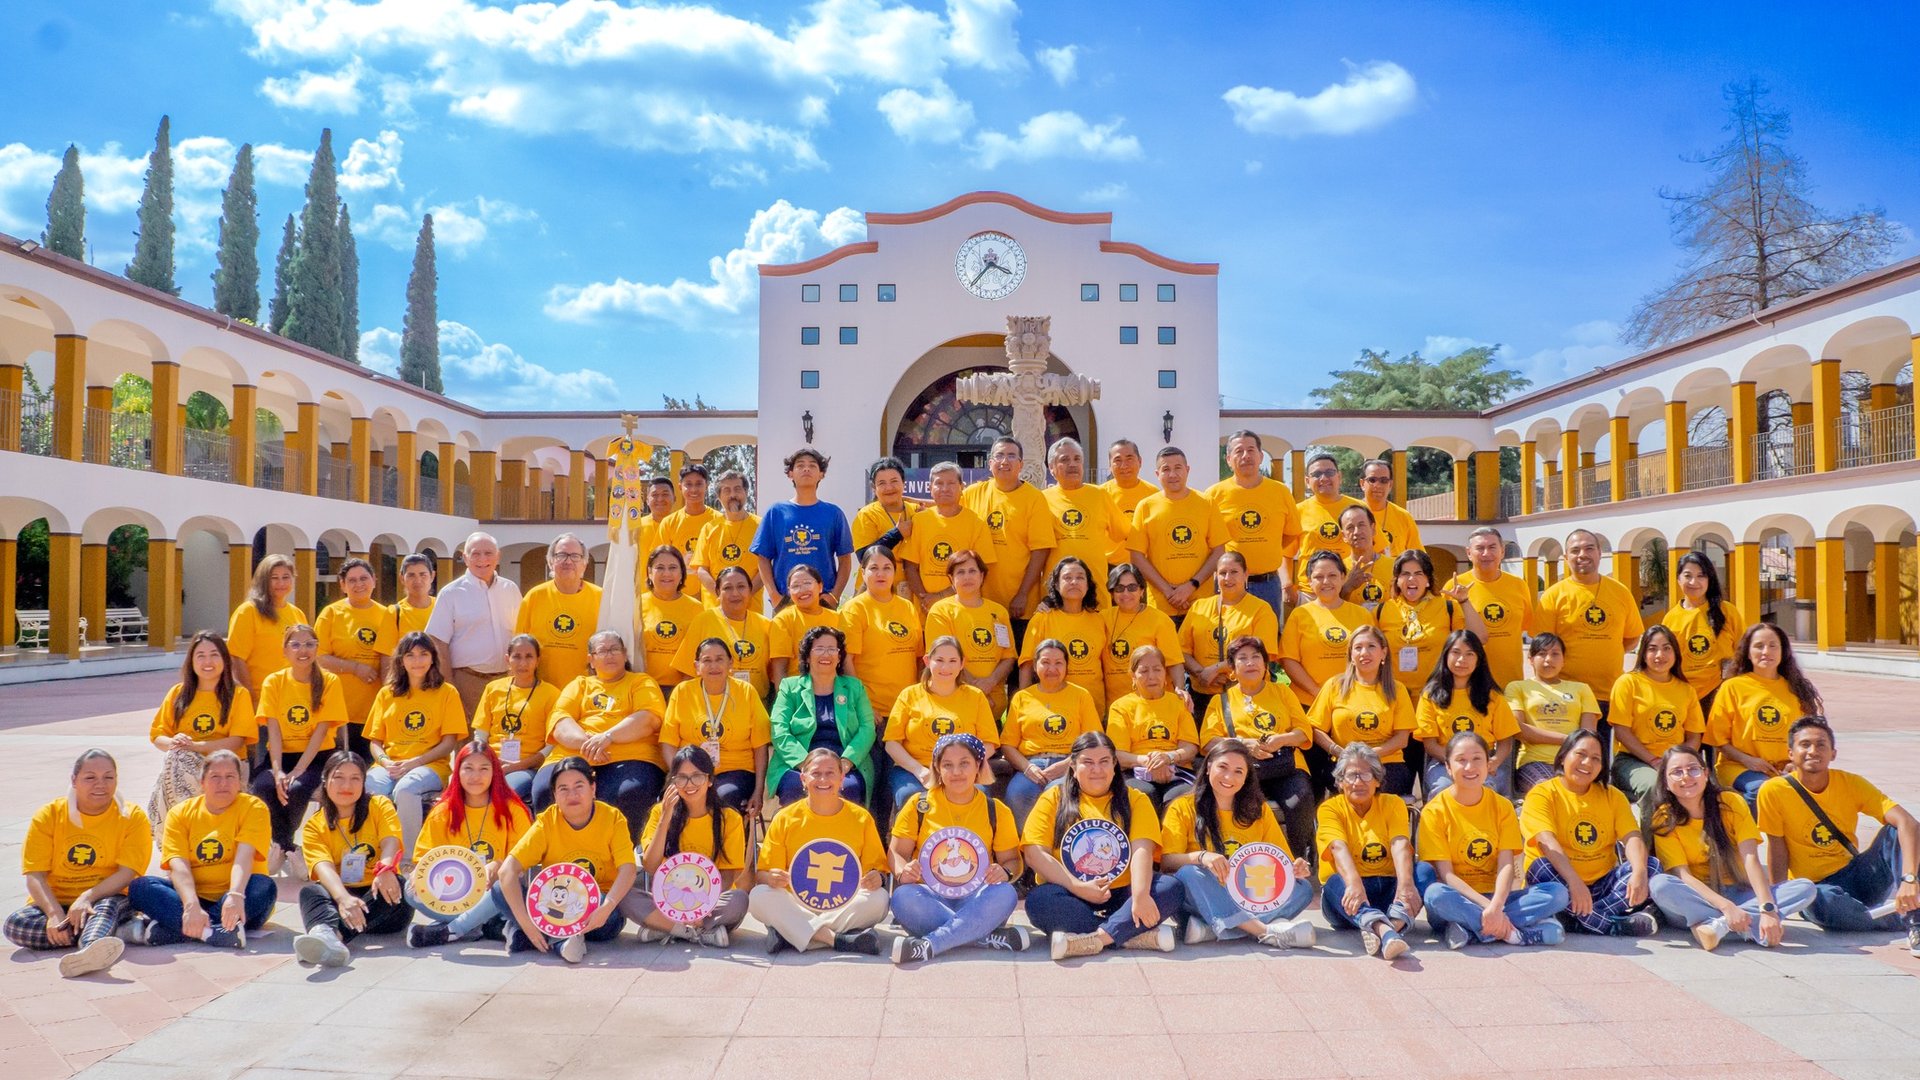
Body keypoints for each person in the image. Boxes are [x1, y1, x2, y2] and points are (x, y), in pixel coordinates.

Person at [1757, 717, 1920, 950]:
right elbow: (1777, 847)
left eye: (1821, 744)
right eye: (1805, 744)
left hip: (1856, 875)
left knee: (1896, 831)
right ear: (1790, 753)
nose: (1813, 750)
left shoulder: (1850, 783)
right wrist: (1779, 903)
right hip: (1816, 888)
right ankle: (1889, 918)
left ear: (1833, 753)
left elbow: (1908, 822)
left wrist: (1909, 879)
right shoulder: (1773, 791)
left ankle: (1915, 921)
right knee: (1825, 902)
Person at [1024, 732, 1181, 959]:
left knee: (1170, 887)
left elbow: (1141, 851)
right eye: (1087, 762)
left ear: (1115, 765)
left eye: (1104, 762)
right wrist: (1078, 886)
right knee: (1039, 902)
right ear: (1073, 767)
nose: (1097, 769)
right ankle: (1128, 933)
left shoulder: (1135, 799)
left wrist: (1139, 896)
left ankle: (1095, 940)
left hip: (1124, 894)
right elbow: (1034, 854)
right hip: (1072, 892)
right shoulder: (1054, 798)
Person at [1645, 744, 1816, 950]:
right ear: (1666, 781)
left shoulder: (1730, 802)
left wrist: (1768, 909)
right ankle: (1743, 924)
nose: (1686, 777)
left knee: (1805, 888)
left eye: (1693, 769)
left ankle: (1716, 927)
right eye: (1676, 772)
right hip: (1696, 898)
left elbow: (1750, 858)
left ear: (1706, 773)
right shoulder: (1664, 818)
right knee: (1660, 885)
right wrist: (1727, 908)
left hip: (1738, 890)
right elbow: (1684, 876)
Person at [1416, 733, 1569, 949]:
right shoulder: (1434, 811)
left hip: (1499, 896)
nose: (1470, 767)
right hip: (1458, 899)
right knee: (1434, 895)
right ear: (1448, 768)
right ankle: (1513, 932)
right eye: (1461, 760)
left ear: (1488, 764)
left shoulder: (1502, 807)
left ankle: (1470, 930)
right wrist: (1488, 907)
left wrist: (1497, 905)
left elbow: (1507, 864)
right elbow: (1446, 875)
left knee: (1558, 893)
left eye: (1477, 759)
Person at [888, 734, 1031, 963]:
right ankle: (981, 936)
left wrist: (1004, 872)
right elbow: (897, 853)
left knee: (1005, 892)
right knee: (902, 896)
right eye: (948, 765)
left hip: (977, 898)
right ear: (937, 768)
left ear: (978, 765)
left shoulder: (995, 809)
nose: (956, 772)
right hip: (931, 897)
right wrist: (903, 872)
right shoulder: (919, 804)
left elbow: (1012, 861)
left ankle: (930, 944)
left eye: (964, 763)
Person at [1161, 739, 1317, 948]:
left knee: (1303, 888)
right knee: (1188, 874)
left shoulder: (1259, 810)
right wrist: (1202, 857)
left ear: (1246, 777)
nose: (1229, 777)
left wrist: (1295, 868)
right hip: (1203, 895)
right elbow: (1167, 862)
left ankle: (1215, 927)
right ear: (1208, 767)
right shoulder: (1182, 807)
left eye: (1238, 771)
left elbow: (1280, 862)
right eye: (1222, 768)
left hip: (1249, 894)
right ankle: (1264, 931)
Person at [8, 750, 149, 976]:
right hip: (59, 901)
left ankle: (89, 949)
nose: (100, 785)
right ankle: (110, 933)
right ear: (74, 780)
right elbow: (34, 875)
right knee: (15, 924)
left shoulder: (132, 816)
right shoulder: (49, 815)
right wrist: (54, 914)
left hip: (105, 897)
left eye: (108, 777)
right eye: (90, 777)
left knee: (105, 910)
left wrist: (87, 897)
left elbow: (127, 873)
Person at [125, 750, 276, 948]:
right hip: (190, 897)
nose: (223, 783)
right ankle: (214, 933)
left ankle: (175, 929)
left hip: (236, 898)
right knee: (140, 887)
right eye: (215, 777)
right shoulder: (180, 813)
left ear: (240, 782)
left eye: (230, 777)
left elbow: (244, 856)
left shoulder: (254, 808)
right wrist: (191, 905)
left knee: (264, 887)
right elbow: (178, 865)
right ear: (202, 782)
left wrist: (235, 895)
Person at [750, 748, 891, 954]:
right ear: (803, 779)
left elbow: (878, 871)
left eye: (830, 773)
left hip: (844, 904)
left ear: (842, 778)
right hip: (795, 903)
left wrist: (878, 877)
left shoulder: (861, 818)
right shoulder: (785, 818)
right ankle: (835, 939)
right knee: (758, 896)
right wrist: (771, 878)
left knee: (879, 900)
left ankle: (791, 933)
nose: (823, 779)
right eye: (816, 773)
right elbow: (762, 875)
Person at [498, 757, 638, 963]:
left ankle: (532, 935)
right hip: (552, 904)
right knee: (498, 890)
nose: (572, 794)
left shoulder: (612, 818)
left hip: (596, 908)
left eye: (578, 786)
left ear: (593, 788)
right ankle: (559, 941)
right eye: (563, 788)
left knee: (610, 922)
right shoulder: (547, 820)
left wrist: (607, 907)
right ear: (554, 795)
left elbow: (628, 869)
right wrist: (526, 922)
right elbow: (507, 871)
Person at [1519, 729, 1659, 936]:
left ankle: (1577, 920)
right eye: (1580, 754)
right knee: (1540, 867)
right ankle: (1611, 925)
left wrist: (1639, 872)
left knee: (1651, 866)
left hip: (1602, 886)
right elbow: (1546, 841)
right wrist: (1574, 882)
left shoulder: (1613, 796)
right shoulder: (1542, 794)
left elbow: (1632, 837)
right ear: (1563, 756)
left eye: (1596, 759)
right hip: (1561, 883)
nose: (1587, 763)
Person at [1197, 636, 1314, 861]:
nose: (1250, 663)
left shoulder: (1283, 692)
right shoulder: (1221, 701)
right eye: (1242, 659)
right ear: (1232, 669)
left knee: (1300, 799)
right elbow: (1208, 742)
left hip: (1285, 766)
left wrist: (1281, 739)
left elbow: (1304, 732)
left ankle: (1296, 859)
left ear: (1265, 664)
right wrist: (1243, 745)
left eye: (1256, 657)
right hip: (1243, 771)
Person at [406, 738, 531, 947]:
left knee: (503, 886)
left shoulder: (513, 810)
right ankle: (484, 924)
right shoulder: (443, 812)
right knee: (410, 892)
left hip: (498, 895)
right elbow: (423, 859)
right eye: (468, 768)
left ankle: (453, 930)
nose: (476, 776)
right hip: (456, 896)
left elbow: (523, 863)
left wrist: (499, 865)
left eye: (484, 768)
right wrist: (418, 875)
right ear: (457, 773)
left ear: (495, 772)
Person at [543, 631, 668, 838]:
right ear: (591, 660)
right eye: (602, 651)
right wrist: (589, 743)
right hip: (576, 753)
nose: (610, 655)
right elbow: (560, 721)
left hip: (632, 757)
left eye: (614, 649)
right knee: (543, 789)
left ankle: (620, 856)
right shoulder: (579, 685)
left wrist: (607, 737)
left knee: (628, 791)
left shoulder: (641, 682)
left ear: (625, 654)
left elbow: (649, 719)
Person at [292, 751, 408, 966]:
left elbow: (390, 841)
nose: (347, 785)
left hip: (381, 899)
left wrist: (385, 869)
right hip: (343, 895)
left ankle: (331, 937)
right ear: (326, 781)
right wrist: (343, 898)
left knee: (400, 885)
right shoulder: (314, 826)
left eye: (355, 778)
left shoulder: (379, 805)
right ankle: (328, 939)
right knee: (310, 891)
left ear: (364, 782)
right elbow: (323, 867)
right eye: (339, 777)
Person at [631, 747, 749, 947]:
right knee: (628, 896)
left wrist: (700, 909)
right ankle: (696, 932)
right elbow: (650, 867)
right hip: (669, 900)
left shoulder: (729, 818)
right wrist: (665, 818)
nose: (689, 784)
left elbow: (728, 877)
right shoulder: (660, 812)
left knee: (739, 900)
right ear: (673, 781)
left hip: (711, 901)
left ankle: (669, 928)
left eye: (697, 776)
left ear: (710, 780)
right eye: (682, 778)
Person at [1536, 530, 1644, 749]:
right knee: (1567, 758)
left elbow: (1632, 637)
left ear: (1600, 553)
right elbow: (1542, 647)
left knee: (1600, 761)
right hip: (1566, 695)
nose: (1582, 554)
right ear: (1566, 558)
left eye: (1589, 548)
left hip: (1609, 694)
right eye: (1575, 550)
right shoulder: (1553, 596)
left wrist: (1604, 653)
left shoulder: (1620, 592)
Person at [364, 631, 469, 856]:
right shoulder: (387, 693)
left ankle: (408, 858)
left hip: (429, 766)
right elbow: (375, 742)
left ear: (433, 658)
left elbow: (449, 743)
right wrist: (385, 761)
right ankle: (373, 853)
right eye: (410, 655)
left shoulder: (447, 692)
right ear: (401, 660)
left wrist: (414, 762)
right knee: (373, 788)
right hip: (389, 765)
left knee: (406, 789)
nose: (417, 661)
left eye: (423, 654)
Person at [250, 625, 344, 876]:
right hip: (280, 756)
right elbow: (274, 731)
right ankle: (289, 847)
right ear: (285, 650)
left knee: (298, 788)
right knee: (263, 786)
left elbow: (321, 732)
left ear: (317, 648)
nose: (303, 650)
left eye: (309, 644)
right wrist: (279, 771)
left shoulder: (329, 681)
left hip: (317, 757)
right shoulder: (274, 681)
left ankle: (281, 847)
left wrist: (298, 770)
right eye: (296, 644)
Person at [149, 632, 257, 836]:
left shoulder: (238, 694)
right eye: (200, 655)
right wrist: (175, 742)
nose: (208, 661)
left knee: (177, 758)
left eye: (214, 655)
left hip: (226, 767)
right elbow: (158, 736)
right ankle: (185, 831)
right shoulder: (178, 694)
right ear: (191, 661)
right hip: (183, 765)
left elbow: (236, 741)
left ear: (225, 659)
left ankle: (181, 830)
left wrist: (196, 747)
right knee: (176, 755)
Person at [1317, 743, 1418, 959]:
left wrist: (1406, 885)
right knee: (1335, 881)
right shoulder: (1330, 808)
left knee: (1423, 872)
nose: (1358, 782)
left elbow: (1400, 843)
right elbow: (1337, 847)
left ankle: (1389, 925)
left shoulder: (1393, 803)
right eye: (1351, 776)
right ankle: (1385, 931)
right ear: (1340, 782)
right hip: (1349, 898)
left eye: (1366, 775)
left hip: (1388, 891)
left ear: (1378, 780)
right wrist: (1354, 884)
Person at [1709, 623, 1824, 804]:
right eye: (1759, 646)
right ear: (1747, 652)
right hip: (1739, 766)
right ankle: (1751, 832)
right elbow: (1718, 741)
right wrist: (1748, 760)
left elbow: (1809, 736)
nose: (1766, 652)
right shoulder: (1732, 687)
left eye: (1773, 646)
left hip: (1786, 767)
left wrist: (1795, 763)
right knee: (1762, 790)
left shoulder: (1796, 689)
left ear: (1782, 651)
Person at [884, 637, 1000, 814]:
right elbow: (892, 743)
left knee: (979, 796)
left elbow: (989, 744)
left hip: (962, 772)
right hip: (916, 770)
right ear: (927, 661)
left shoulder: (975, 697)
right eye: (939, 660)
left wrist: (962, 770)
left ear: (962, 663)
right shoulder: (909, 695)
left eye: (953, 661)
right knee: (910, 795)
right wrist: (921, 771)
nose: (946, 668)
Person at [660, 638, 770, 815]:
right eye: (707, 660)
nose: (714, 666)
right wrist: (680, 776)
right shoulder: (682, 692)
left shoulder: (746, 692)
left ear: (730, 663)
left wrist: (758, 791)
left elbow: (760, 746)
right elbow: (668, 742)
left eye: (720, 659)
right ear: (697, 666)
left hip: (735, 770)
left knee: (722, 798)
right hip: (690, 772)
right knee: (675, 803)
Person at [768, 626, 876, 805]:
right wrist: (806, 765)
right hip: (798, 765)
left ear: (839, 657)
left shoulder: (854, 687)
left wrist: (846, 762)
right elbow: (779, 730)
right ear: (807, 656)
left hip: (843, 765)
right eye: (819, 648)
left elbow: (867, 728)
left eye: (832, 649)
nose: (826, 654)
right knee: (794, 787)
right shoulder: (789, 687)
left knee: (849, 787)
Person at [1003, 639, 1104, 828]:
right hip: (1032, 765)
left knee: (1056, 793)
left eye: (1058, 663)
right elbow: (1008, 745)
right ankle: (1023, 850)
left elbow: (1093, 741)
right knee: (1017, 794)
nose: (1052, 668)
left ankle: (1055, 850)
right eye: (1046, 662)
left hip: (1070, 763)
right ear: (1035, 666)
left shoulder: (1080, 695)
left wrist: (1068, 765)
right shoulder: (1022, 698)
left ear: (1067, 666)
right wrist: (1027, 768)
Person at [964, 437, 1058, 637]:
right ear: (990, 463)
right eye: (999, 455)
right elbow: (944, 509)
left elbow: (1040, 550)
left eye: (1011, 456)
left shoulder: (1034, 498)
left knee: (1017, 663)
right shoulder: (973, 493)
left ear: (1021, 464)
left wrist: (1022, 594)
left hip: (1019, 606)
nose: (1004, 461)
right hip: (979, 601)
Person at [1308, 626, 1418, 796]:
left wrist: (1368, 756)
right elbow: (1316, 729)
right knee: (1352, 785)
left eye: (1371, 647)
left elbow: (1402, 739)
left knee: (1371, 787)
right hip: (1343, 763)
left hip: (1387, 764)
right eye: (1358, 648)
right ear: (1351, 655)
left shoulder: (1398, 689)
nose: (1364, 653)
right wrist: (1339, 752)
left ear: (1383, 653)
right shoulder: (1334, 686)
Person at [1207, 430, 1303, 619]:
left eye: (1251, 450)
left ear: (1260, 456)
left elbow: (1291, 533)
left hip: (1268, 584)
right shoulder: (1213, 495)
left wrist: (1268, 548)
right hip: (1229, 584)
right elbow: (1206, 539)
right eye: (1238, 451)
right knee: (1227, 642)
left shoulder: (1280, 492)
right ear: (1228, 459)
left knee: (1267, 644)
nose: (1245, 456)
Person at [426, 532, 522, 717]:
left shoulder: (510, 589)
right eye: (475, 554)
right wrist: (451, 687)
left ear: (498, 556)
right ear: (465, 557)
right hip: (468, 681)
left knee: (505, 740)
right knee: (470, 744)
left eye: (488, 553)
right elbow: (439, 643)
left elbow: (521, 635)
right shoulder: (451, 593)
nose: (482, 559)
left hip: (507, 681)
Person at [1607, 626, 1706, 805]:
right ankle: (1651, 834)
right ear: (1643, 653)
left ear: (1676, 653)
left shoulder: (1686, 690)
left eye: (1666, 648)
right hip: (1633, 760)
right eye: (1652, 649)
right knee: (1654, 786)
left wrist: (1676, 763)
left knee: (1705, 788)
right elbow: (1622, 731)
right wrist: (1654, 761)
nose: (1660, 655)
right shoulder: (1628, 683)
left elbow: (1694, 737)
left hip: (1675, 762)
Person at [1414, 630, 1518, 798]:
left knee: (1486, 789)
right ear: (1446, 655)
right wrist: (1455, 762)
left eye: (1469, 654)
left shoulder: (1493, 696)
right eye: (1456, 652)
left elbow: (1505, 740)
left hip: (1484, 762)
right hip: (1444, 762)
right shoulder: (1430, 695)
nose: (1462, 660)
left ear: (1478, 660)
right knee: (1443, 788)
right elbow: (1430, 745)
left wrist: (1494, 761)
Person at [1128, 446, 1228, 617]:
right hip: (1161, 605)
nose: (1172, 474)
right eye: (1166, 469)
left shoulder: (1206, 503)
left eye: (1178, 468)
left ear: (1187, 470)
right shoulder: (1145, 506)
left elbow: (1219, 551)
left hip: (1201, 604)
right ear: (1157, 474)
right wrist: (1168, 591)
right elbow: (1136, 556)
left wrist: (1191, 586)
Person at [1180, 551, 1280, 718]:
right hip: (1202, 695)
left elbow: (1263, 654)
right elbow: (1182, 650)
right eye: (1223, 573)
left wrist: (1216, 670)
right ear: (1215, 577)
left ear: (1246, 575)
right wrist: (1202, 673)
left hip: (1246, 696)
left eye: (1234, 572)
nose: (1228, 578)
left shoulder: (1261, 610)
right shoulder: (1199, 607)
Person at [751, 448, 855, 608]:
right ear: (790, 473)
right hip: (785, 600)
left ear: (821, 474)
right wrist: (774, 595)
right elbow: (763, 558)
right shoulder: (776, 512)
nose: (806, 469)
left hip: (823, 601)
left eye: (812, 465)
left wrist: (834, 596)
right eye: (800, 465)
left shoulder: (833, 513)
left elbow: (845, 559)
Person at [314, 557, 397, 757]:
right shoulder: (331, 613)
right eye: (351, 580)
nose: (359, 584)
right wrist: (355, 668)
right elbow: (318, 658)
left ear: (374, 581)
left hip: (372, 711)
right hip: (338, 710)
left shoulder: (387, 614)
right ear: (342, 585)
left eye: (364, 578)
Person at [1105, 647, 1201, 811]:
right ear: (1133, 675)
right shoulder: (1121, 707)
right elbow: (1117, 754)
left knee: (1180, 798)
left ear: (1165, 673)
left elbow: (1190, 748)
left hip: (1176, 770)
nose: (1152, 676)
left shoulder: (1179, 703)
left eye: (1157, 669)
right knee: (1143, 794)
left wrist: (1168, 758)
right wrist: (1149, 762)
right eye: (1144, 671)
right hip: (1136, 770)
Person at [1506, 633, 1601, 796]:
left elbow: (1588, 735)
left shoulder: (1582, 689)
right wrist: (1566, 739)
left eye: (1555, 654)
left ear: (1564, 660)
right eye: (1541, 654)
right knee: (1550, 791)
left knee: (1592, 793)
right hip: (1535, 761)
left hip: (1578, 761)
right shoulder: (1517, 687)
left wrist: (1573, 745)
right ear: (1530, 659)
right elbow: (1518, 729)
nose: (1548, 659)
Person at [923, 550, 1016, 715]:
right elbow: (943, 659)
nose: (967, 577)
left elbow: (1008, 657)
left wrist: (991, 681)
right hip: (956, 708)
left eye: (972, 571)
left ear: (982, 576)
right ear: (951, 580)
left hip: (994, 708)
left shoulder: (999, 612)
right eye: (960, 572)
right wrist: (978, 694)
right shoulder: (941, 611)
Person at [1279, 551, 1373, 711]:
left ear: (1343, 577)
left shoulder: (1361, 615)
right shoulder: (1300, 615)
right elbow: (1289, 660)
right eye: (1318, 577)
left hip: (1351, 702)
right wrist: (1318, 693)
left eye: (1332, 575)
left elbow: (1372, 657)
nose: (1326, 581)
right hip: (1308, 703)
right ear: (1309, 581)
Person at [843, 545, 925, 727]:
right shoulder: (855, 608)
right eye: (874, 568)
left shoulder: (907, 607)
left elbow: (919, 658)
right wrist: (863, 706)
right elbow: (846, 661)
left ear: (895, 572)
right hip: (873, 713)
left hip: (907, 709)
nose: (881, 574)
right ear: (863, 573)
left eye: (887, 568)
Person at [1445, 527, 1535, 689]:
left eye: (1492, 547)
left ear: (1502, 551)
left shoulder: (1519, 585)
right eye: (1479, 548)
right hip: (1468, 684)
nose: (1486, 553)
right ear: (1468, 553)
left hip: (1510, 683)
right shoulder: (1454, 587)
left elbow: (1524, 625)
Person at [1377, 549, 1483, 687]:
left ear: (1428, 580)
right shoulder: (1381, 611)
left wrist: (1464, 601)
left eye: (1418, 574)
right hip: (1395, 692)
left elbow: (1479, 638)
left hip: (1437, 691)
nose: (1411, 579)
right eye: (1405, 574)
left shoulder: (1448, 607)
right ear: (1397, 581)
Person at [1019, 556, 1111, 713]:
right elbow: (1027, 664)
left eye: (1080, 577)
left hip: (1094, 708)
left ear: (1088, 585)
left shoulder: (1099, 620)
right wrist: (1024, 703)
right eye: (1067, 578)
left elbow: (1106, 666)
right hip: (1052, 709)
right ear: (1056, 584)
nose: (1074, 582)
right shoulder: (1042, 618)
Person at [471, 634, 557, 801]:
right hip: (489, 763)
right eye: (516, 656)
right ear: (507, 659)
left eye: (529, 656)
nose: (523, 663)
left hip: (527, 767)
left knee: (503, 792)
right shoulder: (493, 689)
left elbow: (550, 747)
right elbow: (480, 736)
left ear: (538, 660)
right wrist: (485, 763)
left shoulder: (551, 694)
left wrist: (518, 766)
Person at [899, 461, 995, 609]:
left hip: (962, 610)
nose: (945, 489)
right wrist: (924, 599)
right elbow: (910, 567)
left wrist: (939, 597)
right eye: (939, 483)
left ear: (962, 487)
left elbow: (982, 570)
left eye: (951, 483)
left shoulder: (976, 523)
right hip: (924, 612)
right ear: (930, 488)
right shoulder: (919, 521)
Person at [513, 533, 601, 689]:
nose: (568, 561)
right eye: (561, 555)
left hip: (585, 691)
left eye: (575, 556)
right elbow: (518, 647)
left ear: (584, 564)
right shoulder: (534, 596)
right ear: (550, 562)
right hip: (541, 691)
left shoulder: (601, 598)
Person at [675, 566, 775, 699]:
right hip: (711, 706)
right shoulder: (703, 620)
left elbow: (774, 672)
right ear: (718, 592)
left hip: (756, 705)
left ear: (750, 590)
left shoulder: (765, 625)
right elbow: (688, 672)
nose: (735, 593)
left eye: (741, 587)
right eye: (727, 588)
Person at [1660, 552, 1742, 712]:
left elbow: (1743, 652)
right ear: (1678, 579)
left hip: (1720, 696)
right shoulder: (1670, 619)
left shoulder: (1727, 611)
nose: (1694, 582)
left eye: (1701, 576)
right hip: (1683, 697)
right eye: (1688, 575)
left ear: (1709, 579)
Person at [1043, 437, 1129, 580]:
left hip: (1095, 585)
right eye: (1064, 460)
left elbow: (1126, 533)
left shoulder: (1100, 495)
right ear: (1051, 467)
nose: (1072, 464)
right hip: (1057, 588)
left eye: (1077, 459)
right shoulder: (1042, 499)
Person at [1101, 563, 1183, 708]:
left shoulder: (1160, 620)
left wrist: (1179, 690)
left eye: (1132, 587)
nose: (1126, 593)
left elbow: (1174, 663)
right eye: (1119, 588)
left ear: (1142, 591)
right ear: (1112, 593)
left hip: (1152, 704)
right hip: (1114, 705)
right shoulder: (1102, 618)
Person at [227, 553, 306, 702]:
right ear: (263, 581)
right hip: (261, 698)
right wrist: (252, 699)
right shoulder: (248, 611)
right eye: (274, 578)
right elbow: (237, 658)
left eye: (286, 577)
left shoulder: (297, 614)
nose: (281, 583)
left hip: (292, 698)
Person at [1293, 453, 1370, 588]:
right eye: (1316, 474)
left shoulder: (1359, 508)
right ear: (1307, 481)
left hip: (1352, 586)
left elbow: (1377, 548)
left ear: (1339, 477)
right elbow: (1286, 554)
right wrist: (1287, 585)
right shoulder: (1298, 511)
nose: (1324, 478)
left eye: (1329, 472)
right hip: (1310, 590)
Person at [849, 457, 922, 598]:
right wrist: (897, 534)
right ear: (874, 488)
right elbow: (864, 556)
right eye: (882, 483)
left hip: (910, 589)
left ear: (904, 483)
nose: (889, 488)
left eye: (894, 481)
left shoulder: (917, 511)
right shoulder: (867, 515)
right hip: (873, 591)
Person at [691, 470, 763, 608]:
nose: (733, 495)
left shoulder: (760, 526)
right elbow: (701, 569)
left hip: (751, 610)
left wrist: (745, 595)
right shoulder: (709, 528)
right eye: (726, 491)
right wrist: (722, 596)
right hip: (716, 611)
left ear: (746, 492)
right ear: (719, 497)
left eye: (737, 489)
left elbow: (765, 568)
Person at [638, 545, 701, 698]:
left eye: (673, 567)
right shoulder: (636, 605)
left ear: (682, 574)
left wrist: (681, 691)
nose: (666, 573)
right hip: (642, 688)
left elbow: (699, 653)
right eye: (660, 568)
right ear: (649, 573)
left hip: (683, 690)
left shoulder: (697, 609)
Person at [766, 564, 845, 686]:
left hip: (834, 689)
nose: (802, 590)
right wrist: (784, 701)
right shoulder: (783, 620)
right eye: (795, 586)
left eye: (807, 583)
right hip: (797, 691)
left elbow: (845, 661)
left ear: (820, 586)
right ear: (789, 592)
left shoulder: (838, 618)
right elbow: (779, 669)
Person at [657, 463, 716, 601]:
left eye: (699, 484)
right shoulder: (669, 523)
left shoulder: (718, 521)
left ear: (706, 486)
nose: (693, 489)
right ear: (680, 487)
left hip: (711, 598)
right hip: (677, 597)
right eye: (688, 484)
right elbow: (659, 562)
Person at [1101, 438, 1158, 565]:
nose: (1124, 465)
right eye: (1117, 460)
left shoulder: (1154, 494)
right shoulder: (1101, 495)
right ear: (1110, 466)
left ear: (1140, 461)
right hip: (1108, 567)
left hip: (1143, 566)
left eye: (1129, 459)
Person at [1334, 504, 1396, 609]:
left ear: (1373, 529)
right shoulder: (1337, 570)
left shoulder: (1394, 566)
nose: (1357, 532)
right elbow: (1331, 608)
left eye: (1361, 525)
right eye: (1350, 527)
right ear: (1344, 536)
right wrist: (1348, 587)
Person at [1357, 458, 1423, 555]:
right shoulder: (1352, 514)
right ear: (1362, 484)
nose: (1377, 485)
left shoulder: (1403, 517)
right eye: (1372, 480)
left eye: (1383, 480)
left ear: (1390, 484)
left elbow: (1417, 556)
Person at [394, 553, 437, 638]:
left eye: (423, 575)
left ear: (432, 576)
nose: (418, 581)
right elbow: (386, 651)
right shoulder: (395, 613)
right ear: (402, 578)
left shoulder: (442, 607)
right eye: (411, 575)